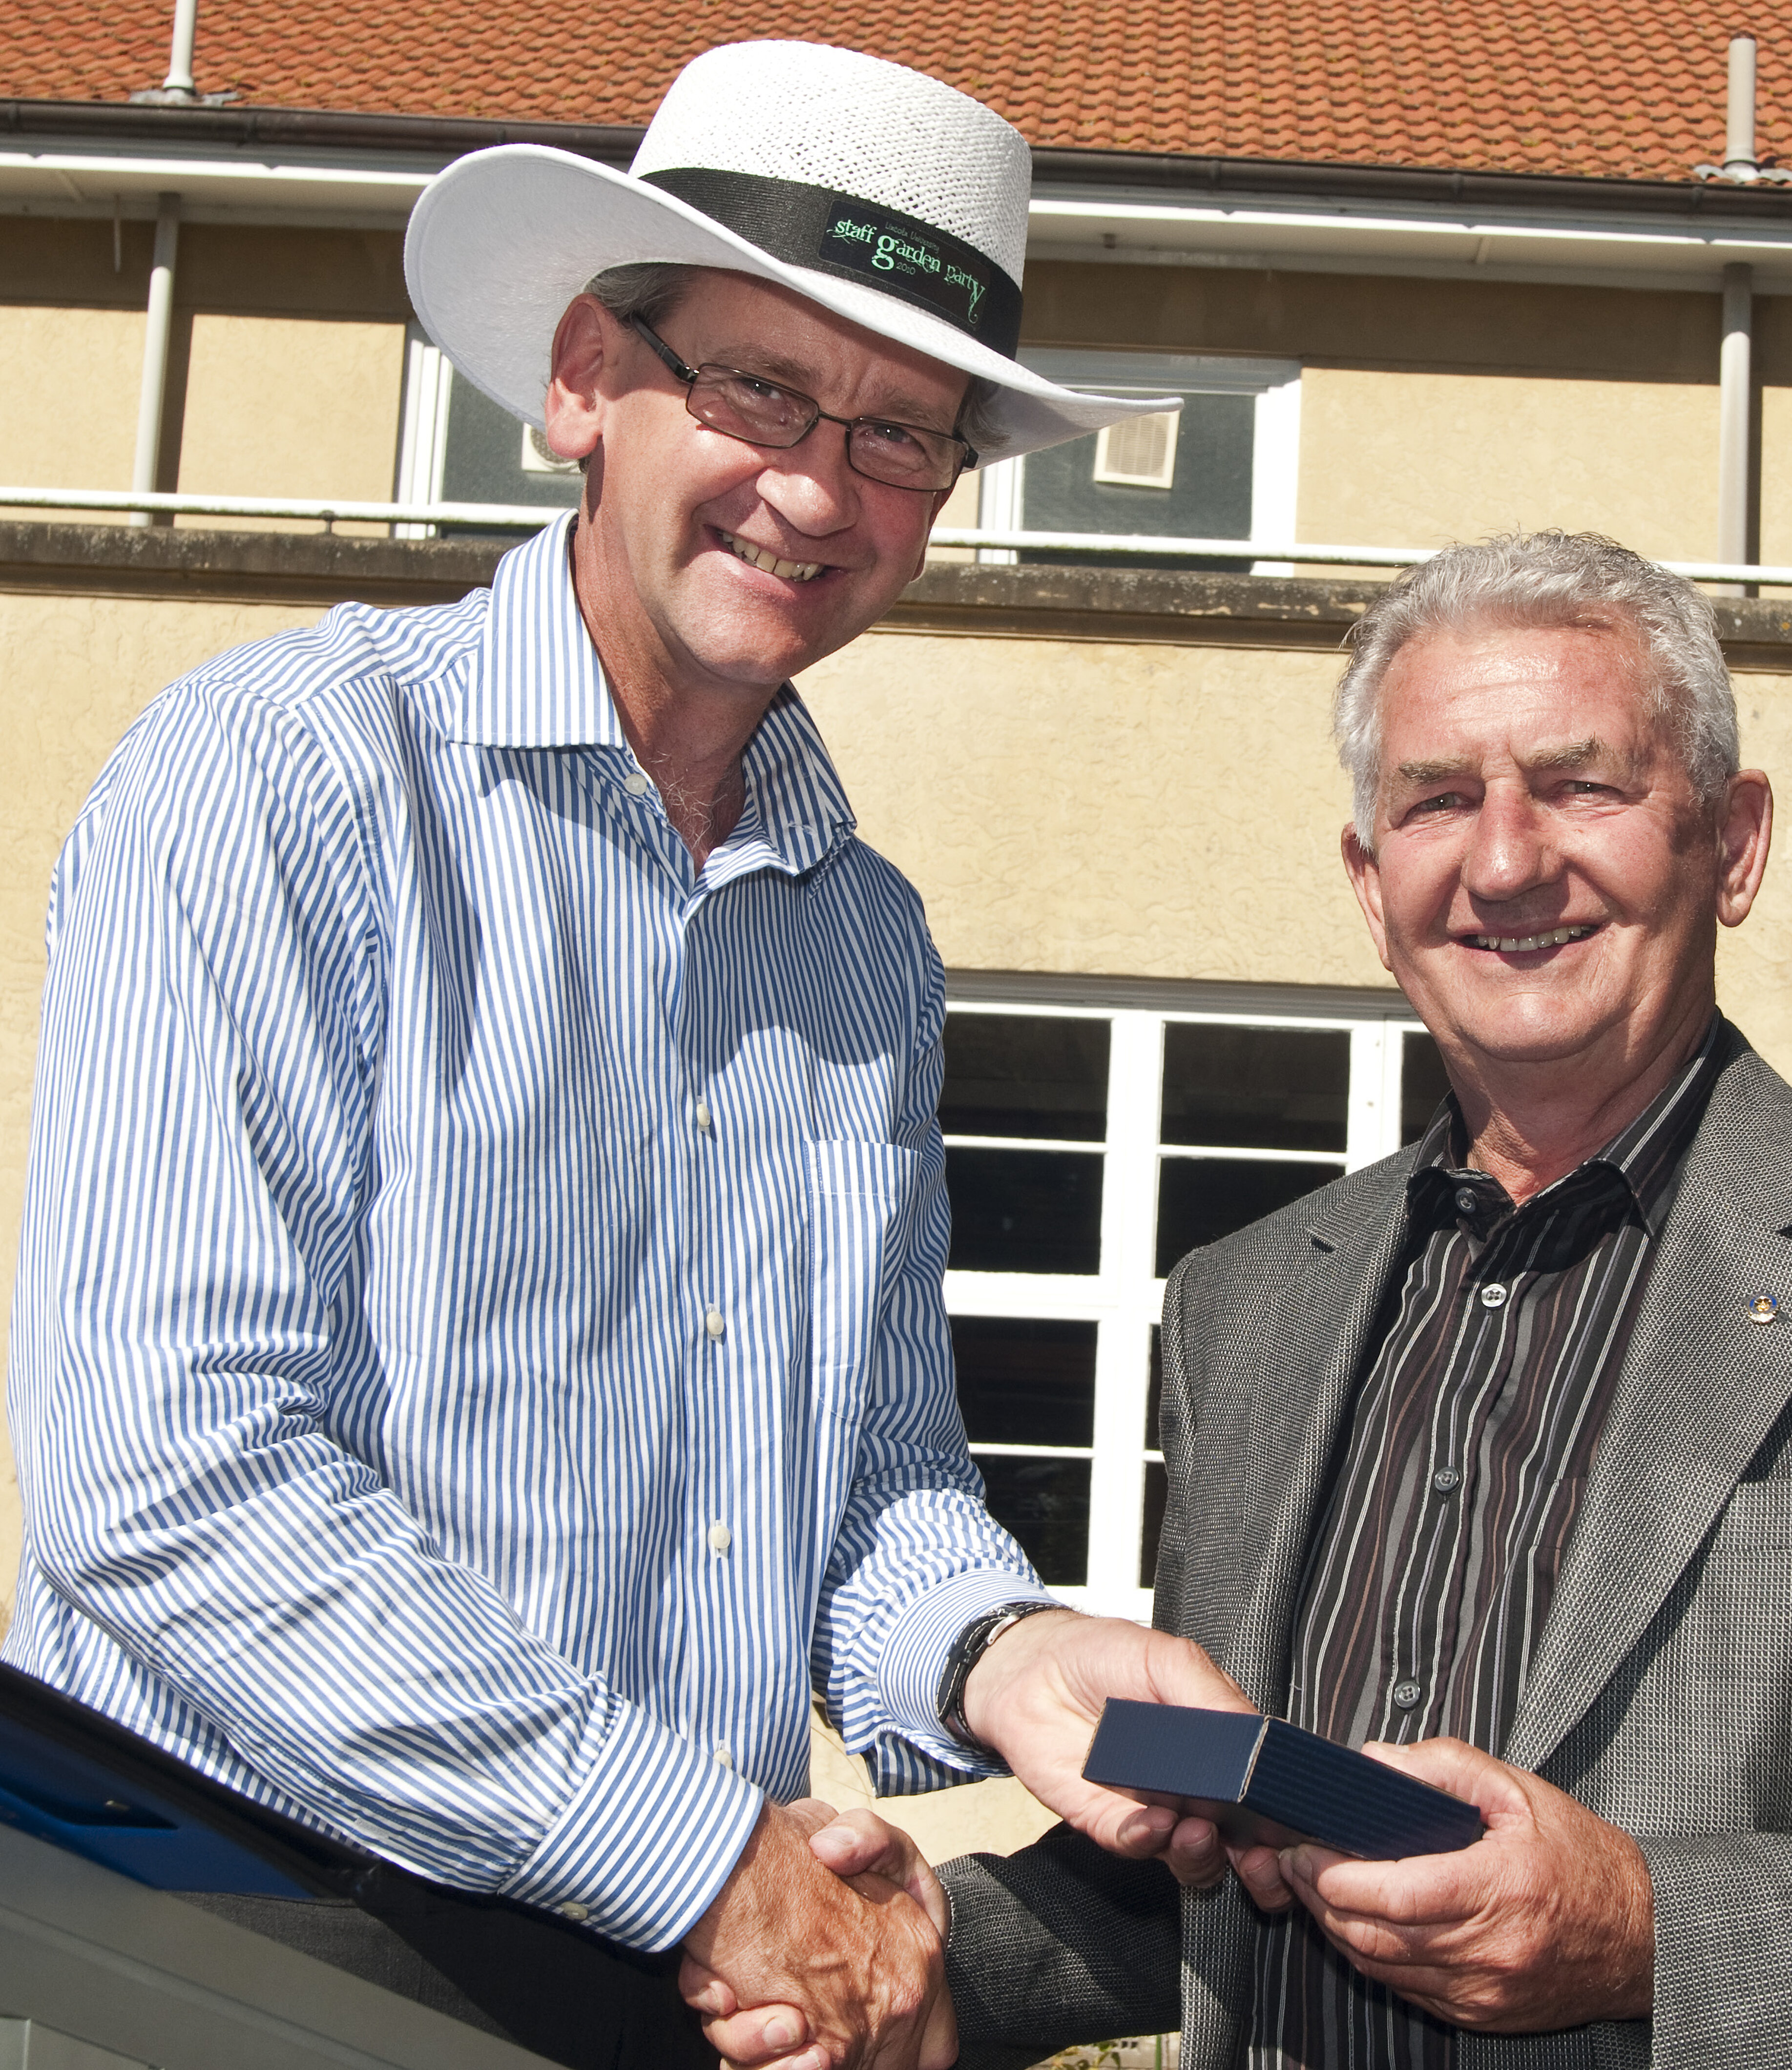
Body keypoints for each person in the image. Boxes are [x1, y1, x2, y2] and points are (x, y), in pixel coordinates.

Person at [2, 41, 1246, 2070]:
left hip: (668, 2003)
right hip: (219, 1973)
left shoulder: (867, 940)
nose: (821, 489)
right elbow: (168, 1475)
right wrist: (696, 1849)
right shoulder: (279, 778)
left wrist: (1013, 1653)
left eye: (906, 436)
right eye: (758, 388)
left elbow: (869, 1492)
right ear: (586, 376)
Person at [719, 530, 1792, 2067]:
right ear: (1373, 887)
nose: (1505, 860)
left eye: (1581, 785)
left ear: (1735, 840)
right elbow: (1208, 1863)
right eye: (1438, 800)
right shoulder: (1248, 1307)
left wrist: (1647, 1928)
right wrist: (915, 1947)